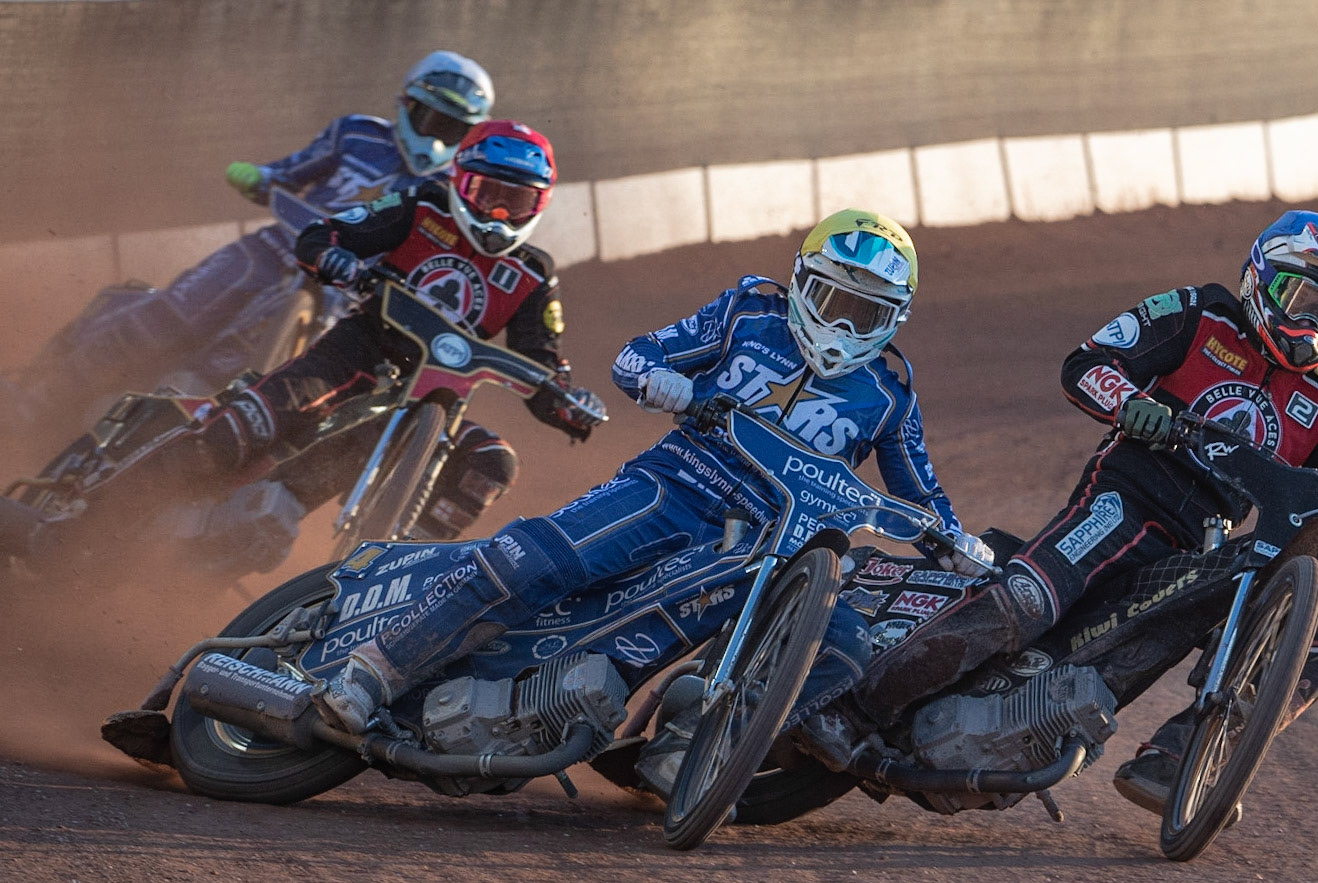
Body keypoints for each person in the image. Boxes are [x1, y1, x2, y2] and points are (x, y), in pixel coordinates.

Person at [316, 208, 995, 778]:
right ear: (799, 285)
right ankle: (375, 668)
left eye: (865, 312)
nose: (843, 325)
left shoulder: (890, 395)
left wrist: (958, 546)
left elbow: (922, 501)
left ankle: (688, 751)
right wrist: (666, 384)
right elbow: (636, 357)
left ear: (894, 317)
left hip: (769, 551)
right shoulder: (747, 314)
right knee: (534, 558)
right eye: (831, 300)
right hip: (674, 488)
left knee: (842, 648)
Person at [854, 209, 1318, 816]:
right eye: (1300, 298)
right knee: (1028, 600)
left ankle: (1178, 762)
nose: (1309, 325)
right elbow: (1087, 364)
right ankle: (856, 708)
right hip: (1127, 498)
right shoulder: (1200, 314)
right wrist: (1130, 406)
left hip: (1204, 549)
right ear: (1260, 279)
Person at [4, 50, 495, 434]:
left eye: (453, 128)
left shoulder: (447, 194)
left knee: (283, 388)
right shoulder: (357, 134)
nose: (436, 137)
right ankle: (37, 401)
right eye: (431, 119)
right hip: (276, 246)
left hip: (343, 292)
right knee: (169, 314)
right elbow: (290, 171)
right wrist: (259, 178)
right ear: (407, 104)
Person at [179, 119, 603, 554]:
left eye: (516, 201)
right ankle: (120, 499)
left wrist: (570, 405)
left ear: (540, 204)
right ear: (460, 182)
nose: (498, 213)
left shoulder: (534, 274)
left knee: (491, 462)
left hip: (430, 403)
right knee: (226, 439)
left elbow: (541, 368)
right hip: (351, 359)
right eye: (487, 194)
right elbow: (323, 235)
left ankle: (401, 567)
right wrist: (337, 259)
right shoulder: (424, 205)